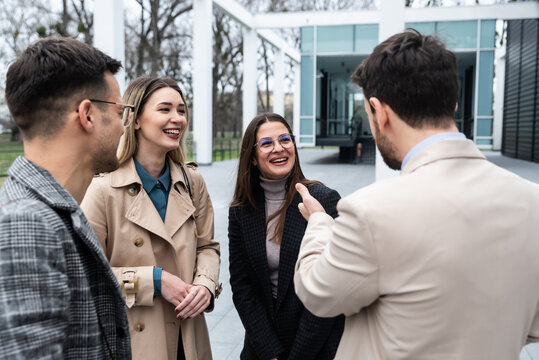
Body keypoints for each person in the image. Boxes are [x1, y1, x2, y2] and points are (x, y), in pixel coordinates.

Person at [293, 30, 539, 359]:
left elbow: (318, 294)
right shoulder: (531, 201)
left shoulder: (370, 212)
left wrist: (320, 224)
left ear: (379, 112)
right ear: (452, 103)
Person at [0, 37, 131, 358]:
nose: (124, 125)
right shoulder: (26, 223)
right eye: (119, 111)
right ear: (87, 115)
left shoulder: (50, 210)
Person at [81, 76, 221, 360]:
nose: (177, 118)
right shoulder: (102, 189)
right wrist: (155, 281)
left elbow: (207, 247)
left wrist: (205, 285)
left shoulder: (193, 182)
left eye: (181, 110)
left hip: (189, 336)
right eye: (165, 109)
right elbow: (87, 275)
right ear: (135, 120)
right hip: (133, 341)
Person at [228, 113, 344, 360]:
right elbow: (242, 287)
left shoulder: (323, 200)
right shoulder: (241, 211)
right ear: (252, 158)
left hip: (317, 347)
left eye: (284, 140)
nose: (278, 148)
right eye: (267, 143)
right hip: (262, 348)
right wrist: (271, 352)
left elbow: (330, 287)